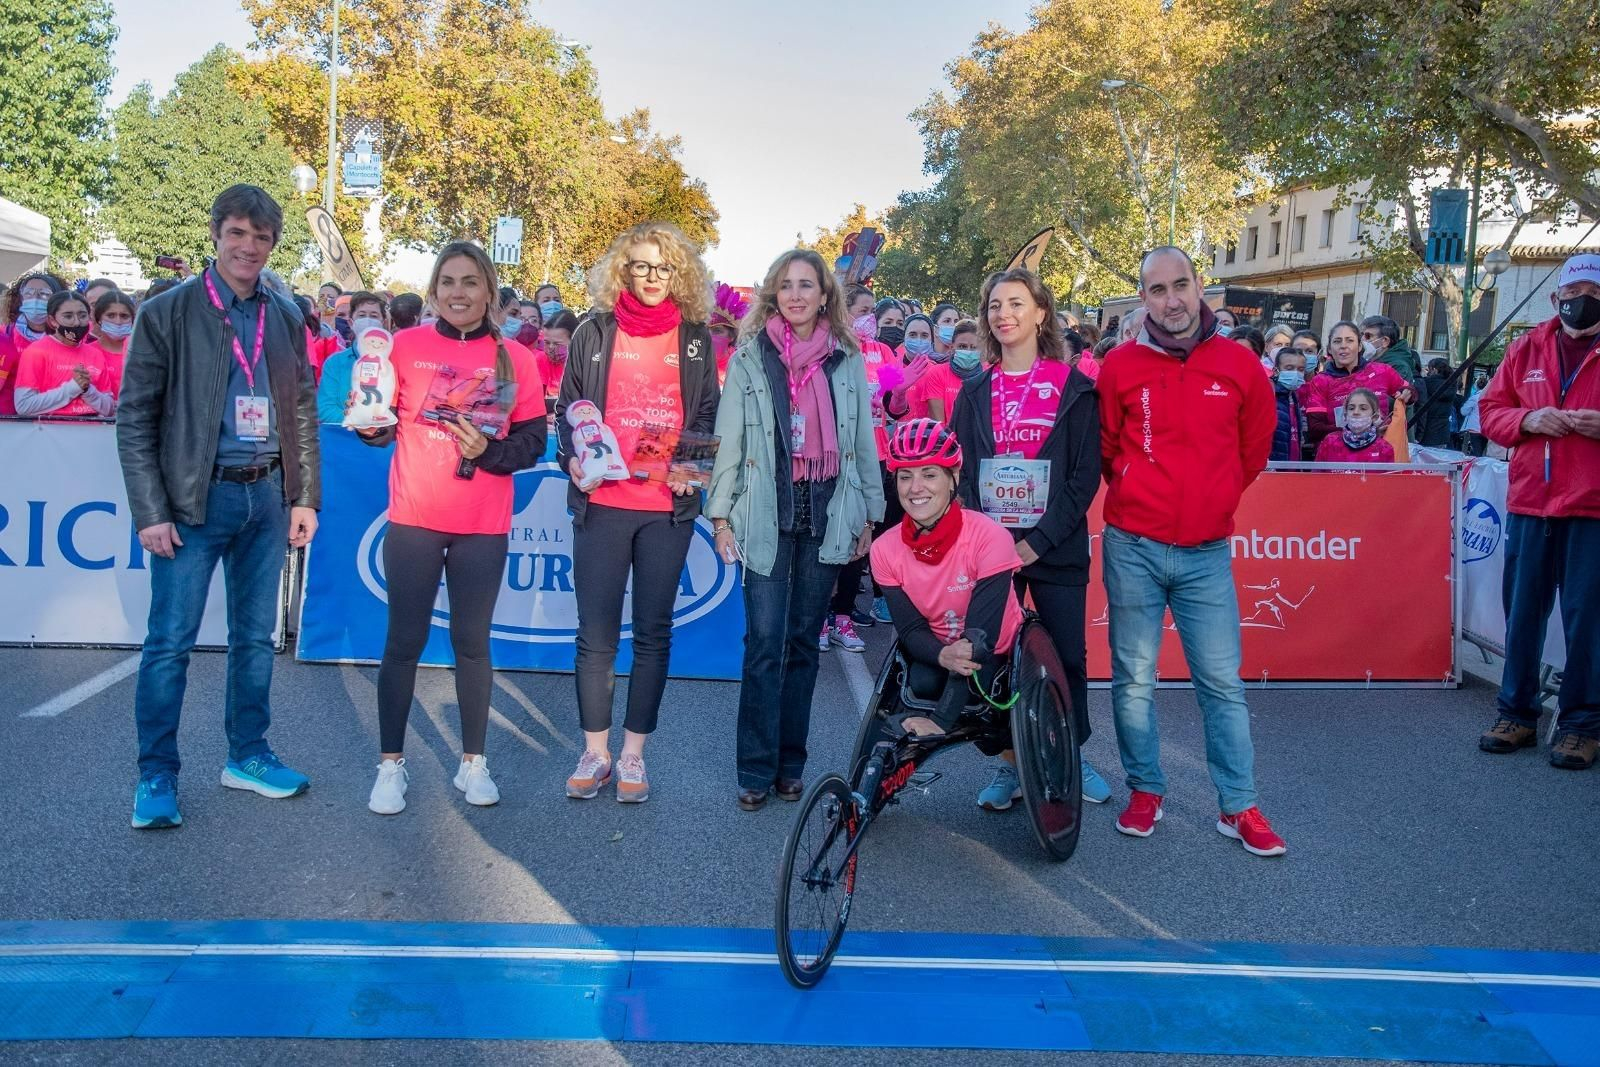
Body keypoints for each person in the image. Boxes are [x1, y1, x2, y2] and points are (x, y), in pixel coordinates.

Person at [117, 184, 321, 830]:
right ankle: (156, 773)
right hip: (190, 500)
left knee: (254, 641)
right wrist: (151, 508)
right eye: (238, 233)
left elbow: (303, 412)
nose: (249, 247)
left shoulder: (285, 316)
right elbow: (135, 416)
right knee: (169, 644)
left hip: (265, 495)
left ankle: (248, 755)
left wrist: (304, 496)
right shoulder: (168, 312)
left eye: (261, 237)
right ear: (215, 235)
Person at [1097, 246, 1285, 856]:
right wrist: (1137, 488)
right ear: (1143, 298)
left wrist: (1215, 496)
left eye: (1181, 285)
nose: (1172, 300)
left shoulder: (1240, 366)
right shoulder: (1120, 366)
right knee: (1133, 682)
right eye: (1157, 290)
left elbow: (1253, 449)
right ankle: (1145, 790)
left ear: (1200, 286)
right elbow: (1105, 447)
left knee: (1222, 684)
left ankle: (1239, 806)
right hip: (1133, 546)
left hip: (1206, 552)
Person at [359, 241, 546, 815]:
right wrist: (370, 426)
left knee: (471, 644)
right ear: (434, 290)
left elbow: (533, 443)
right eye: (448, 282)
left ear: (490, 290)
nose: (458, 293)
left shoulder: (516, 357)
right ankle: (391, 767)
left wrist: (488, 450)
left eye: (470, 282)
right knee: (403, 643)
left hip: (481, 526)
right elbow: (379, 424)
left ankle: (473, 763)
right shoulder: (403, 346)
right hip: (414, 519)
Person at [706, 248, 884, 811]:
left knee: (804, 645)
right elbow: (728, 440)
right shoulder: (750, 359)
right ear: (773, 295)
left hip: (828, 512)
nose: (797, 295)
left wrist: (869, 513)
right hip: (765, 510)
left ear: (825, 294)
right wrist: (720, 513)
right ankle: (754, 769)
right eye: (787, 285)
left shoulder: (847, 361)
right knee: (763, 644)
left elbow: (861, 446)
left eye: (807, 285)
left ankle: (790, 765)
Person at [554, 221, 717, 804]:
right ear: (624, 269)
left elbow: (704, 421)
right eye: (642, 266)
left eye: (663, 267)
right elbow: (567, 416)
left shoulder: (696, 340)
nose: (652, 277)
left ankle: (632, 756)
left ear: (680, 274)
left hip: (665, 512)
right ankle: (594, 752)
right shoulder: (592, 333)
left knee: (653, 634)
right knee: (595, 636)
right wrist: (573, 458)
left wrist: (690, 474)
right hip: (602, 504)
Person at [950, 268, 1110, 808]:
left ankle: (1071, 754)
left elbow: (1084, 474)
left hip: (1056, 546)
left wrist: (1037, 542)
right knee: (994, 658)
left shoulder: (1076, 388)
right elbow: (964, 472)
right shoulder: (973, 392)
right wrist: (992, 541)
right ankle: (1010, 763)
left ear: (1041, 313)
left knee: (1067, 657)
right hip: (992, 549)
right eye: (994, 305)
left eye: (1016, 303)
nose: (1004, 314)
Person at [1476, 252, 1600, 771]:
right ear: (1556, 299)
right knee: (1523, 614)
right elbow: (1489, 412)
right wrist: (1528, 419)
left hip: (1592, 508)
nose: (1579, 302)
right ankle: (1517, 713)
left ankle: (1579, 725)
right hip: (1530, 502)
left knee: (1586, 621)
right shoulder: (1525, 345)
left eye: (1590, 293)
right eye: (1570, 295)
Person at [872, 419, 1024, 738]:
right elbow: (911, 629)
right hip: (939, 647)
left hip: (994, 650)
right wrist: (943, 655)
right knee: (922, 681)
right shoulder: (884, 549)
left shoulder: (990, 537)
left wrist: (940, 721)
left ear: (953, 476)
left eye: (929, 474)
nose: (915, 488)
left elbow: (979, 640)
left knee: (984, 703)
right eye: (905, 477)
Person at [822, 284, 899, 649]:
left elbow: (897, 405)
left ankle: (843, 616)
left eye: (871, 311)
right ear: (845, 309)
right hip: (835, 455)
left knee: (860, 537)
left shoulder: (883, 351)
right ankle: (821, 616)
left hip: (876, 454)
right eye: (863, 310)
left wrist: (899, 389)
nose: (869, 318)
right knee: (828, 533)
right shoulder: (830, 346)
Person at [1301, 320, 1413, 448]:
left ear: (1360, 346)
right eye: (1337, 341)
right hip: (1336, 455)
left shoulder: (1382, 371)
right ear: (1330, 349)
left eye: (1350, 340)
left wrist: (1408, 392)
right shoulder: (1320, 381)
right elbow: (1315, 430)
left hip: (1379, 454)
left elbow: (1410, 392)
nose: (1343, 346)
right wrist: (1365, 432)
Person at [14, 291, 120, 418]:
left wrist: (88, 390)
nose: (76, 322)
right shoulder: (36, 352)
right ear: (52, 321)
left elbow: (109, 409)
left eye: (82, 316)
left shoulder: (95, 354)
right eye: (68, 316)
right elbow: (24, 406)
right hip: (47, 432)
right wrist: (73, 387)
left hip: (92, 432)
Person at [316, 291, 388, 424]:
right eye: (362, 315)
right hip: (343, 438)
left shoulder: (392, 362)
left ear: (382, 322)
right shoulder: (335, 363)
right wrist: (357, 421)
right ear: (351, 322)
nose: (368, 320)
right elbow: (325, 409)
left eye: (374, 316)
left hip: (384, 440)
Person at [1, 272, 63, 416]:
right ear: (21, 298)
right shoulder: (5, 334)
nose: (35, 299)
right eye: (28, 293)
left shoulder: (66, 338)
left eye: (44, 294)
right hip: (10, 420)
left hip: (53, 419)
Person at [1314, 388, 1394, 464]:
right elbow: (1316, 476)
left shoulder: (1384, 448)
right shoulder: (1330, 442)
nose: (1356, 412)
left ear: (1375, 417)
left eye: (1363, 408)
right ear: (1345, 415)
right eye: (1351, 408)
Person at [1268, 346, 1309, 462]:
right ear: (1276, 370)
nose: (1295, 373)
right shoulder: (1270, 396)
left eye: (1300, 369)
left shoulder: (1294, 396)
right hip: (1275, 469)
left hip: (1293, 467)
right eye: (1289, 368)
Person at [1412, 357, 1461, 449]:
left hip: (1426, 432)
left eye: (1428, 369)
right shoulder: (1452, 385)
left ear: (1434, 369)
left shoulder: (1426, 383)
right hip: (1443, 433)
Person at [90, 291, 137, 380]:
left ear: (132, 319)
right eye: (111, 315)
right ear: (99, 319)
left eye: (124, 316)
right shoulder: (88, 352)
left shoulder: (142, 352)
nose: (118, 322)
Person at [1361, 314, 1421, 382]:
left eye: (1368, 336)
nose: (1362, 339)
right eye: (1361, 334)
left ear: (1385, 341)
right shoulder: (1365, 361)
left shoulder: (1398, 367)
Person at [536, 308, 577, 406]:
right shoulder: (542, 359)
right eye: (547, 342)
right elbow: (538, 401)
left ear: (574, 340)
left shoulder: (583, 362)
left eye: (557, 343)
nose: (551, 347)